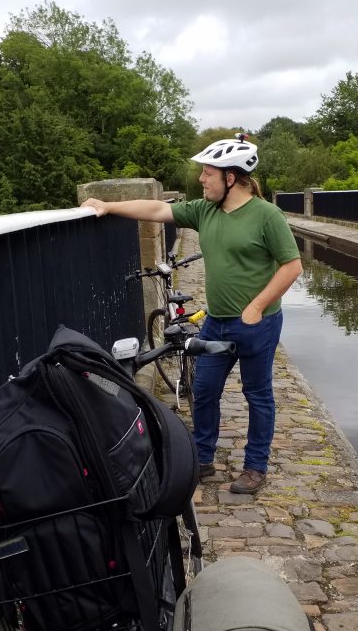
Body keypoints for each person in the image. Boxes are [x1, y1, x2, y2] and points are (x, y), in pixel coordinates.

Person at [82, 134, 302, 494]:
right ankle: (202, 460)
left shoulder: (267, 215)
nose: (201, 179)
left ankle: (255, 467)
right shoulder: (204, 211)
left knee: (258, 394)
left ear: (231, 178)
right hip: (217, 323)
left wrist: (257, 306)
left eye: (208, 173)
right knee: (204, 389)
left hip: (257, 325)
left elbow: (292, 267)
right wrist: (108, 206)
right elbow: (156, 211)